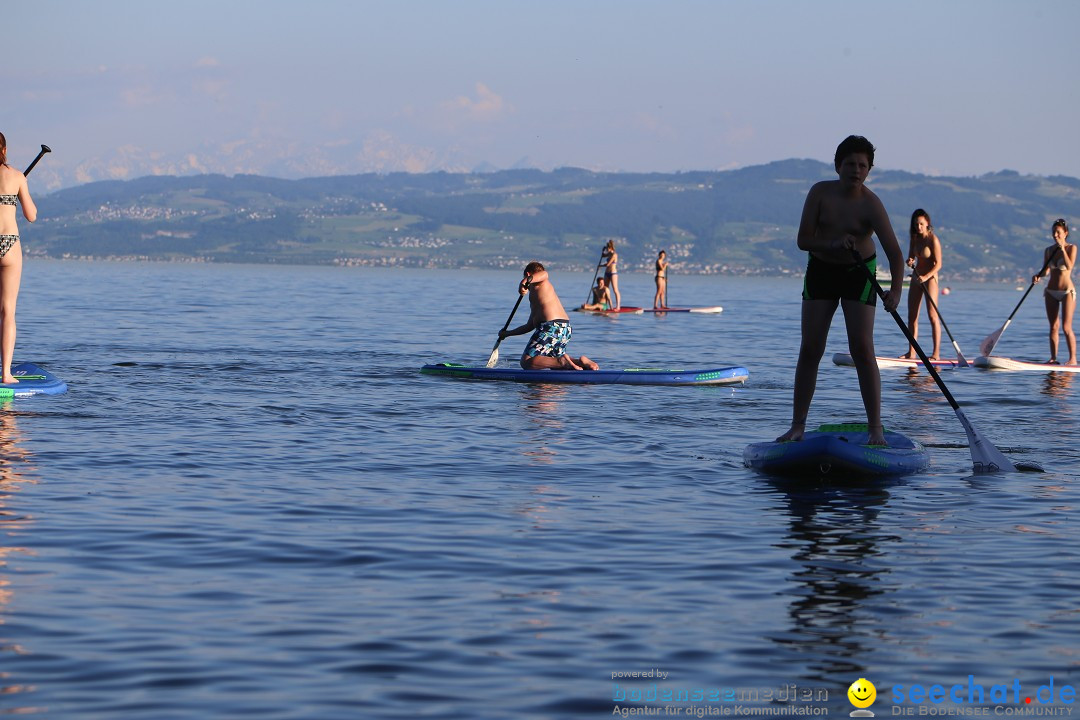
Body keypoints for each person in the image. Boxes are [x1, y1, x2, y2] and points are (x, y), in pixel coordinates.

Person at [776, 135, 905, 447]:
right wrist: (832, 243)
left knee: (862, 348)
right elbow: (803, 239)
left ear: (869, 170)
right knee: (811, 348)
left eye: (862, 165)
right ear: (838, 166)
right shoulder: (820, 193)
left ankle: (876, 429)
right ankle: (797, 427)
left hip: (858, 273)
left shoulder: (872, 204)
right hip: (821, 270)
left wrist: (896, 292)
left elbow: (896, 255)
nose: (856, 170)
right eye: (850, 164)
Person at [499, 261, 599, 371]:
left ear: (528, 274)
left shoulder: (541, 282)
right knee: (556, 366)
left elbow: (544, 274)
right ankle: (581, 363)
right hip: (564, 329)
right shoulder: (536, 296)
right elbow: (529, 326)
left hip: (550, 327)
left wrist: (524, 282)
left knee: (526, 362)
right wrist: (507, 334)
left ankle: (563, 361)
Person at [0, 133, 37, 385]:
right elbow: (32, 215)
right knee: (8, 312)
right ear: (5, 149)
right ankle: (6, 374)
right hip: (10, 244)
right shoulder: (17, 176)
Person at [1032, 218, 1076, 365]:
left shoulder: (1071, 248)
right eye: (1053, 232)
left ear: (1065, 233)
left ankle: (1072, 359)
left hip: (1067, 292)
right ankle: (1053, 358)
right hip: (1050, 291)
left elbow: (1069, 266)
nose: (1055, 235)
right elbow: (1046, 271)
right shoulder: (1049, 250)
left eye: (1058, 232)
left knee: (1066, 327)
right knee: (1053, 327)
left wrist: (1062, 249)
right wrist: (1038, 276)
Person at [900, 209, 943, 360]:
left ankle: (936, 354)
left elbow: (938, 265)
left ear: (927, 224)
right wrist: (910, 261)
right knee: (912, 316)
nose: (918, 227)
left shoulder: (933, 240)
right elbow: (911, 257)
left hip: (930, 279)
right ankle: (911, 352)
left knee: (932, 316)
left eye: (921, 224)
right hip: (917, 278)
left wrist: (926, 277)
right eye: (916, 224)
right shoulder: (914, 238)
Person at [602, 239, 621, 310]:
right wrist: (603, 251)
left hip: (613, 273)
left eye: (608, 248)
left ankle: (618, 306)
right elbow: (603, 255)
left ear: (611, 248)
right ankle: (606, 305)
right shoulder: (609, 254)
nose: (607, 250)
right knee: (606, 289)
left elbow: (608, 264)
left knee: (615, 290)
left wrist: (601, 266)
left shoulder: (614, 255)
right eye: (606, 248)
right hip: (607, 273)